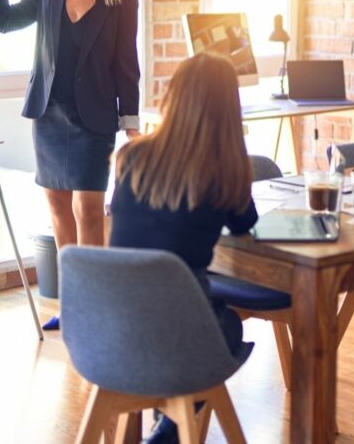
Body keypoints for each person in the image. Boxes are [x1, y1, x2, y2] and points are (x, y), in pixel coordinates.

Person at [0, 0, 140, 331]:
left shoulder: (123, 2)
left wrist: (131, 124)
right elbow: (4, 22)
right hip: (49, 115)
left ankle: (97, 303)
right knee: (57, 205)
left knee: (89, 207)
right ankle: (73, 305)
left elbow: (128, 66)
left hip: (94, 119)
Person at [109, 51, 257, 444]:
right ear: (229, 110)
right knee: (229, 324)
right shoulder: (224, 171)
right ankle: (170, 431)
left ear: (172, 98)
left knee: (204, 314)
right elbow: (246, 224)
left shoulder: (130, 157)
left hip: (111, 334)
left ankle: (167, 429)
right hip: (177, 343)